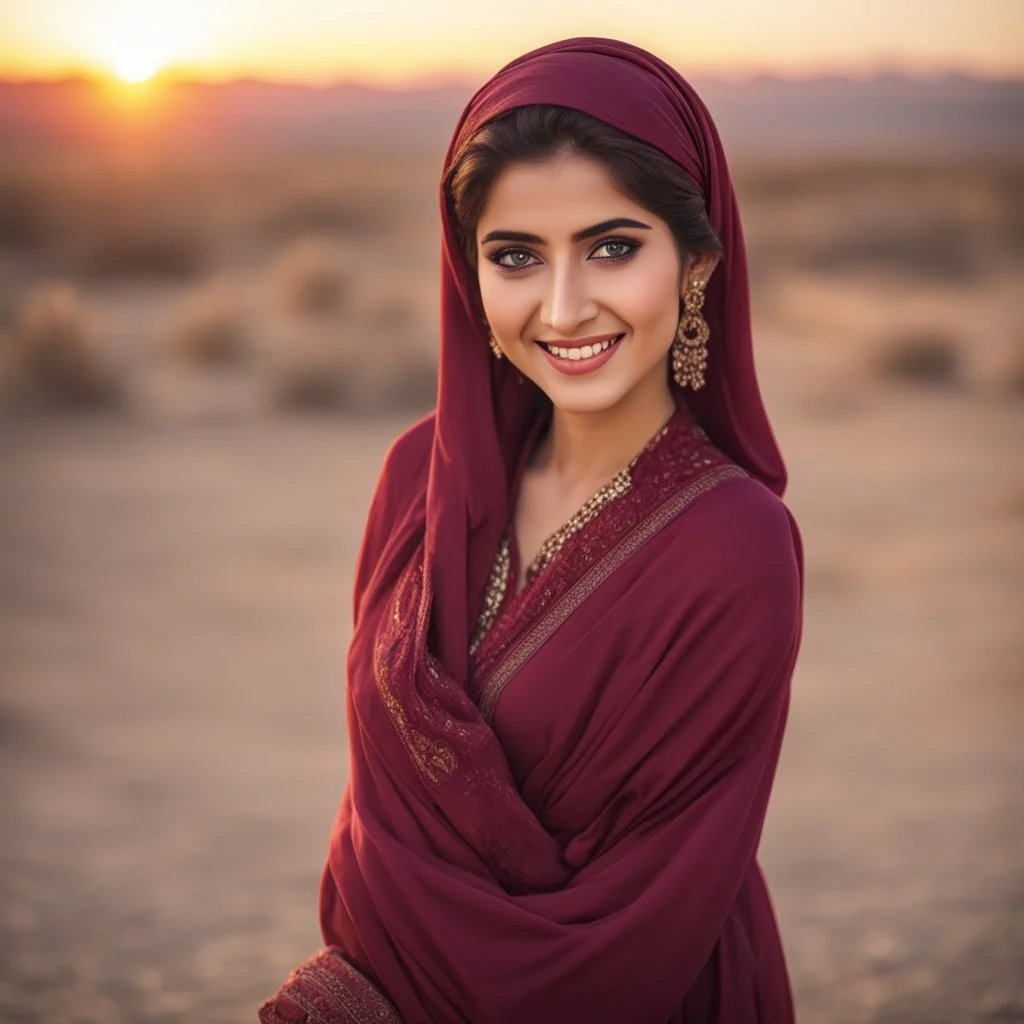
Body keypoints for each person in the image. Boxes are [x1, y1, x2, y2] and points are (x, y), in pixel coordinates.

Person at [259, 35, 804, 1024]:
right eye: (515, 255)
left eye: (612, 246)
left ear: (697, 260)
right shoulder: (418, 477)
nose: (562, 308)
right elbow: (376, 829)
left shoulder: (737, 544)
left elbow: (630, 929)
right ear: (467, 274)